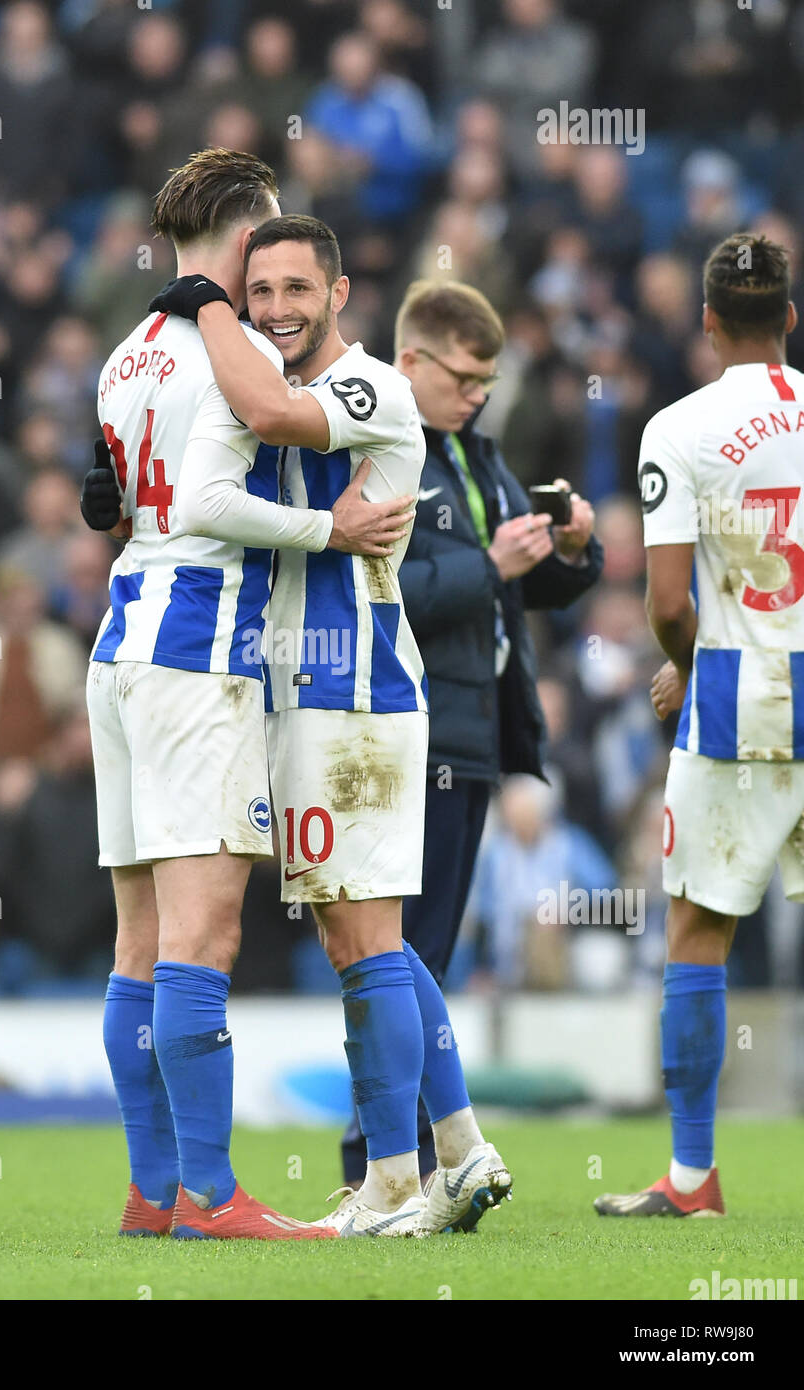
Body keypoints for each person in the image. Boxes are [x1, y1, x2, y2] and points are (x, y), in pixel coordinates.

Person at [150, 215, 511, 1236]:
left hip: (354, 695)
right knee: (365, 942)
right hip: (296, 695)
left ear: (339, 293)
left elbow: (267, 425)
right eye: (256, 292)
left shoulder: (371, 387)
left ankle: (398, 1177)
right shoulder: (272, 386)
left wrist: (201, 302)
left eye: (294, 291)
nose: (274, 311)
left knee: (367, 944)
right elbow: (204, 493)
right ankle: (438, 1158)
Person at [80, 150, 406, 1241]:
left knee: (136, 942)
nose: (272, 270)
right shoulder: (226, 350)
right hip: (194, 643)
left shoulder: (126, 353)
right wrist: (328, 526)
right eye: (266, 241)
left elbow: (118, 498)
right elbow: (225, 481)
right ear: (246, 230)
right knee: (202, 938)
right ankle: (213, 1198)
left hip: (120, 637)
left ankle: (150, 1187)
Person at [335, 279, 602, 1189]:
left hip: (473, 734)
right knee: (403, 949)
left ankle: (392, 1159)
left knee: (415, 951)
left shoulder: (480, 457)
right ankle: (380, 1157)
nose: (480, 392)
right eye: (467, 375)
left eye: (490, 378)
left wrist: (572, 553)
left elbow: (527, 587)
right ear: (412, 362)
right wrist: (490, 565)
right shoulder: (382, 455)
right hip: (417, 732)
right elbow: (383, 589)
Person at [595, 232, 802, 1217]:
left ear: (708, 321)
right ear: (790, 319)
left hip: (737, 698)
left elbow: (669, 602)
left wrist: (686, 670)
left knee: (697, 929)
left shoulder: (675, 430)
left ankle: (689, 1177)